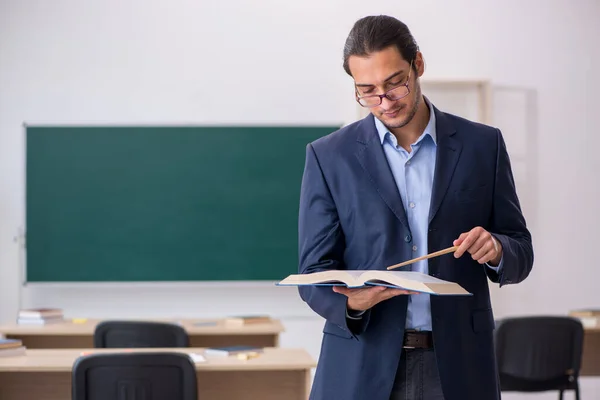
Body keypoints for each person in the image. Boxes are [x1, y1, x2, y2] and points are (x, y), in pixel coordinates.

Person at [297, 15, 534, 400]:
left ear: (418, 65)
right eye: (367, 91)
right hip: (360, 363)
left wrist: (497, 249)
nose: (384, 101)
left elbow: (520, 249)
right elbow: (314, 272)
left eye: (395, 84)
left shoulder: (482, 145)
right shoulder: (329, 156)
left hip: (458, 365)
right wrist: (352, 304)